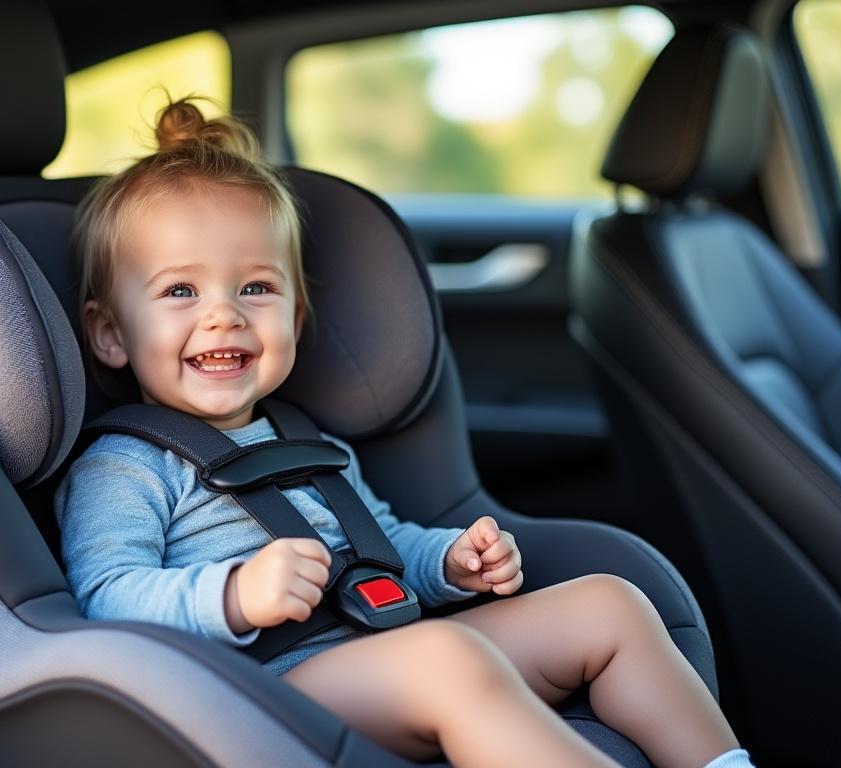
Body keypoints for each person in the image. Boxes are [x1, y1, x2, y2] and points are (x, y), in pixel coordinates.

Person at [55, 96, 751, 768]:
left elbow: (382, 547)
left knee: (611, 604)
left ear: (295, 320)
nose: (224, 316)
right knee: (447, 660)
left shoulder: (307, 442)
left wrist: (449, 564)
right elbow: (106, 598)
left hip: (382, 654)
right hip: (261, 693)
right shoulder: (126, 466)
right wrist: (234, 596)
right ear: (110, 334)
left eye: (256, 288)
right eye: (181, 291)